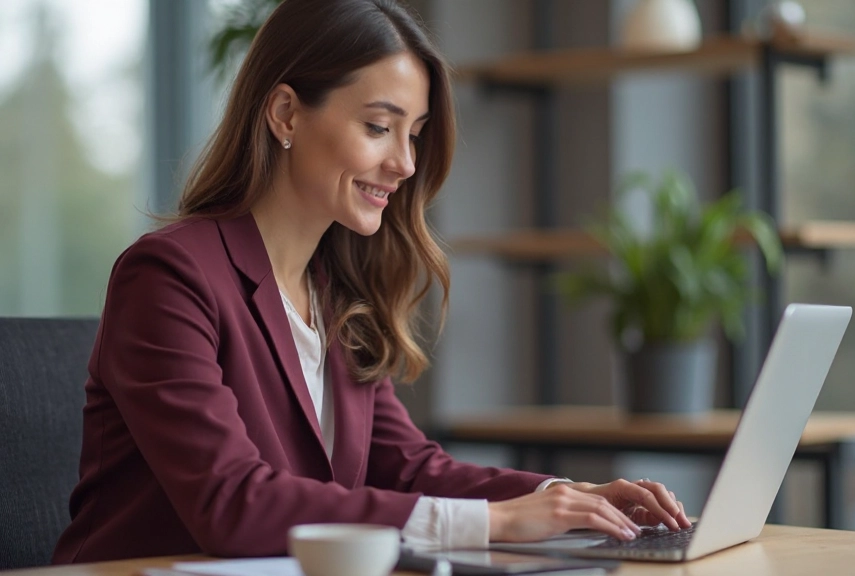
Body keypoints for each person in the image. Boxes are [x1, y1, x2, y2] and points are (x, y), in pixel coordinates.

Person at [51, 0, 690, 563]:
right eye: (378, 127)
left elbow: (408, 468)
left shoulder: (335, 293)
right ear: (285, 114)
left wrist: (562, 498)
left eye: (413, 135)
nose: (405, 163)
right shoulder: (169, 276)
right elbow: (230, 502)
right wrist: (495, 522)